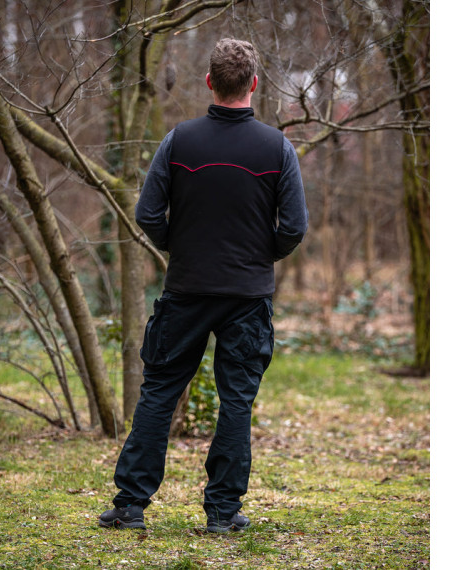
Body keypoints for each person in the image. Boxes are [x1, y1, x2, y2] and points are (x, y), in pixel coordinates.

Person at [99, 38, 308, 533]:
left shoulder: (179, 141)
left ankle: (130, 506)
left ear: (210, 81)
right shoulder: (277, 148)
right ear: (254, 84)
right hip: (247, 296)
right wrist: (261, 258)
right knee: (236, 401)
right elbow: (295, 227)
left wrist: (180, 248)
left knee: (159, 392)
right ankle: (222, 512)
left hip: (187, 288)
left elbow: (148, 214)